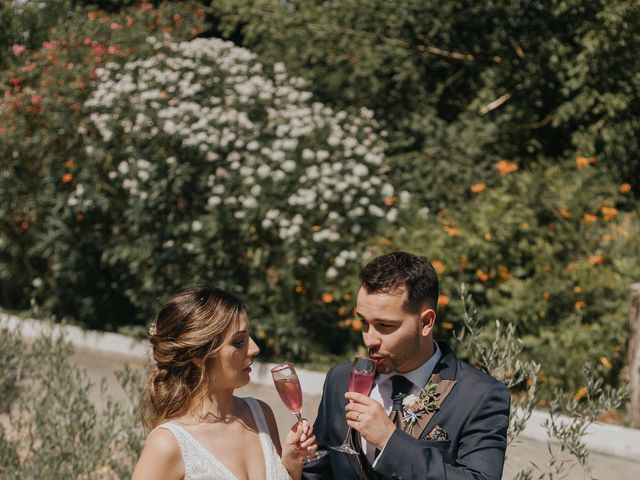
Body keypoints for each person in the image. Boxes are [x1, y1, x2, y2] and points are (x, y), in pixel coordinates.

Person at [303, 251, 510, 480]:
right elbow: (317, 473)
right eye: (364, 323)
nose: (370, 340)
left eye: (385, 325)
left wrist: (390, 442)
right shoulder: (340, 379)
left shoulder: (480, 395)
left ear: (425, 322)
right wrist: (295, 460)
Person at [132, 285, 317, 480]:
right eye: (238, 342)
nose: (254, 348)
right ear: (198, 355)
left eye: (249, 337)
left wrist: (291, 466)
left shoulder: (261, 415)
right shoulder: (168, 444)